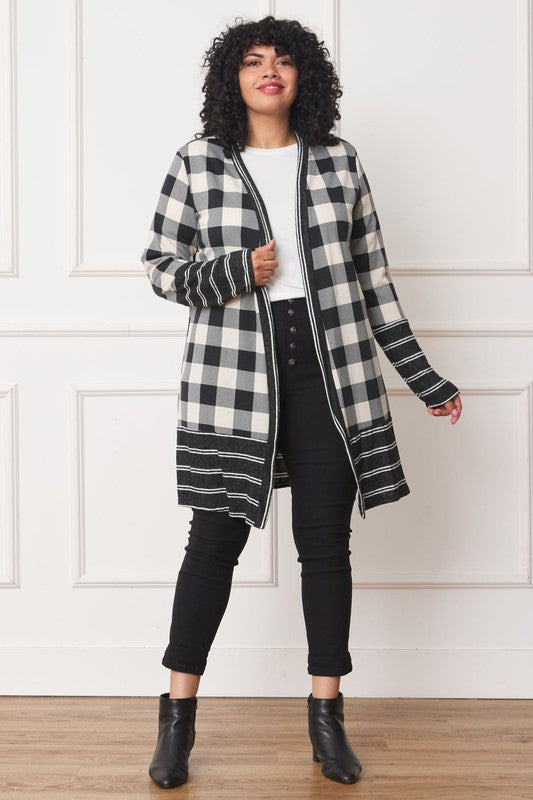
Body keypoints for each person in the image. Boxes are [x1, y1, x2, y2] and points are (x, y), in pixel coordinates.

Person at [140, 14, 462, 790]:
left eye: (283, 60)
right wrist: (232, 271)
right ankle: (177, 719)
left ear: (302, 77)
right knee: (212, 543)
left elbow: (374, 283)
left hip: (331, 371)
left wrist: (424, 379)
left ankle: (326, 716)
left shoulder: (338, 161)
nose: (268, 70)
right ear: (232, 78)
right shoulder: (198, 161)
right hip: (232, 378)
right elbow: (159, 266)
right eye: (253, 60)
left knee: (324, 547)